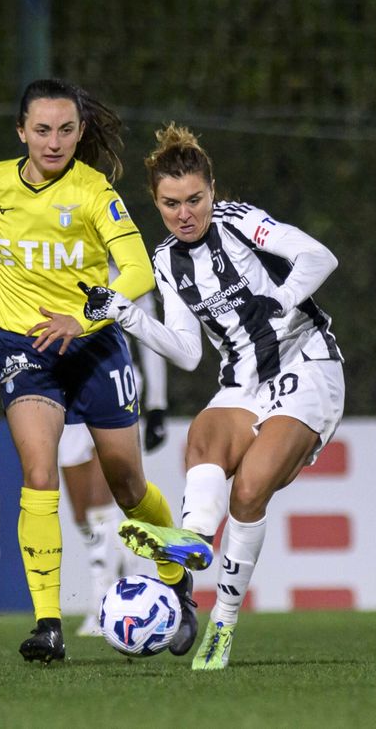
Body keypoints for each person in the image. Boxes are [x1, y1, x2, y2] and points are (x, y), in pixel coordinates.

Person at [0, 79, 198, 664]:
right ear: (21, 131)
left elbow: (137, 271)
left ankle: (176, 572)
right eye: (42, 130)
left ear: (80, 131)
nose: (54, 141)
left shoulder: (93, 191)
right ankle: (48, 624)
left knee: (128, 485)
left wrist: (82, 320)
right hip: (23, 347)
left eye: (66, 130)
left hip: (93, 348)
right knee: (39, 474)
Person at [80, 122, 345, 669]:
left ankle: (222, 626)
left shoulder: (240, 222)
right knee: (203, 431)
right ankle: (195, 538)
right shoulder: (165, 260)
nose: (185, 213)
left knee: (248, 491)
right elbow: (187, 352)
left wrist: (282, 299)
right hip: (242, 378)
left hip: (307, 365)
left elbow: (320, 258)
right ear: (156, 203)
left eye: (195, 199)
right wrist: (124, 313)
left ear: (212, 191)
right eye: (171, 203)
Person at [59, 279, 169, 638]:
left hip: (110, 378)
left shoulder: (123, 269)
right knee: (80, 511)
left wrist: (157, 404)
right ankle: (119, 564)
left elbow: (149, 337)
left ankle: (101, 599)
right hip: (58, 384)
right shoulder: (46, 258)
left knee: (104, 497)